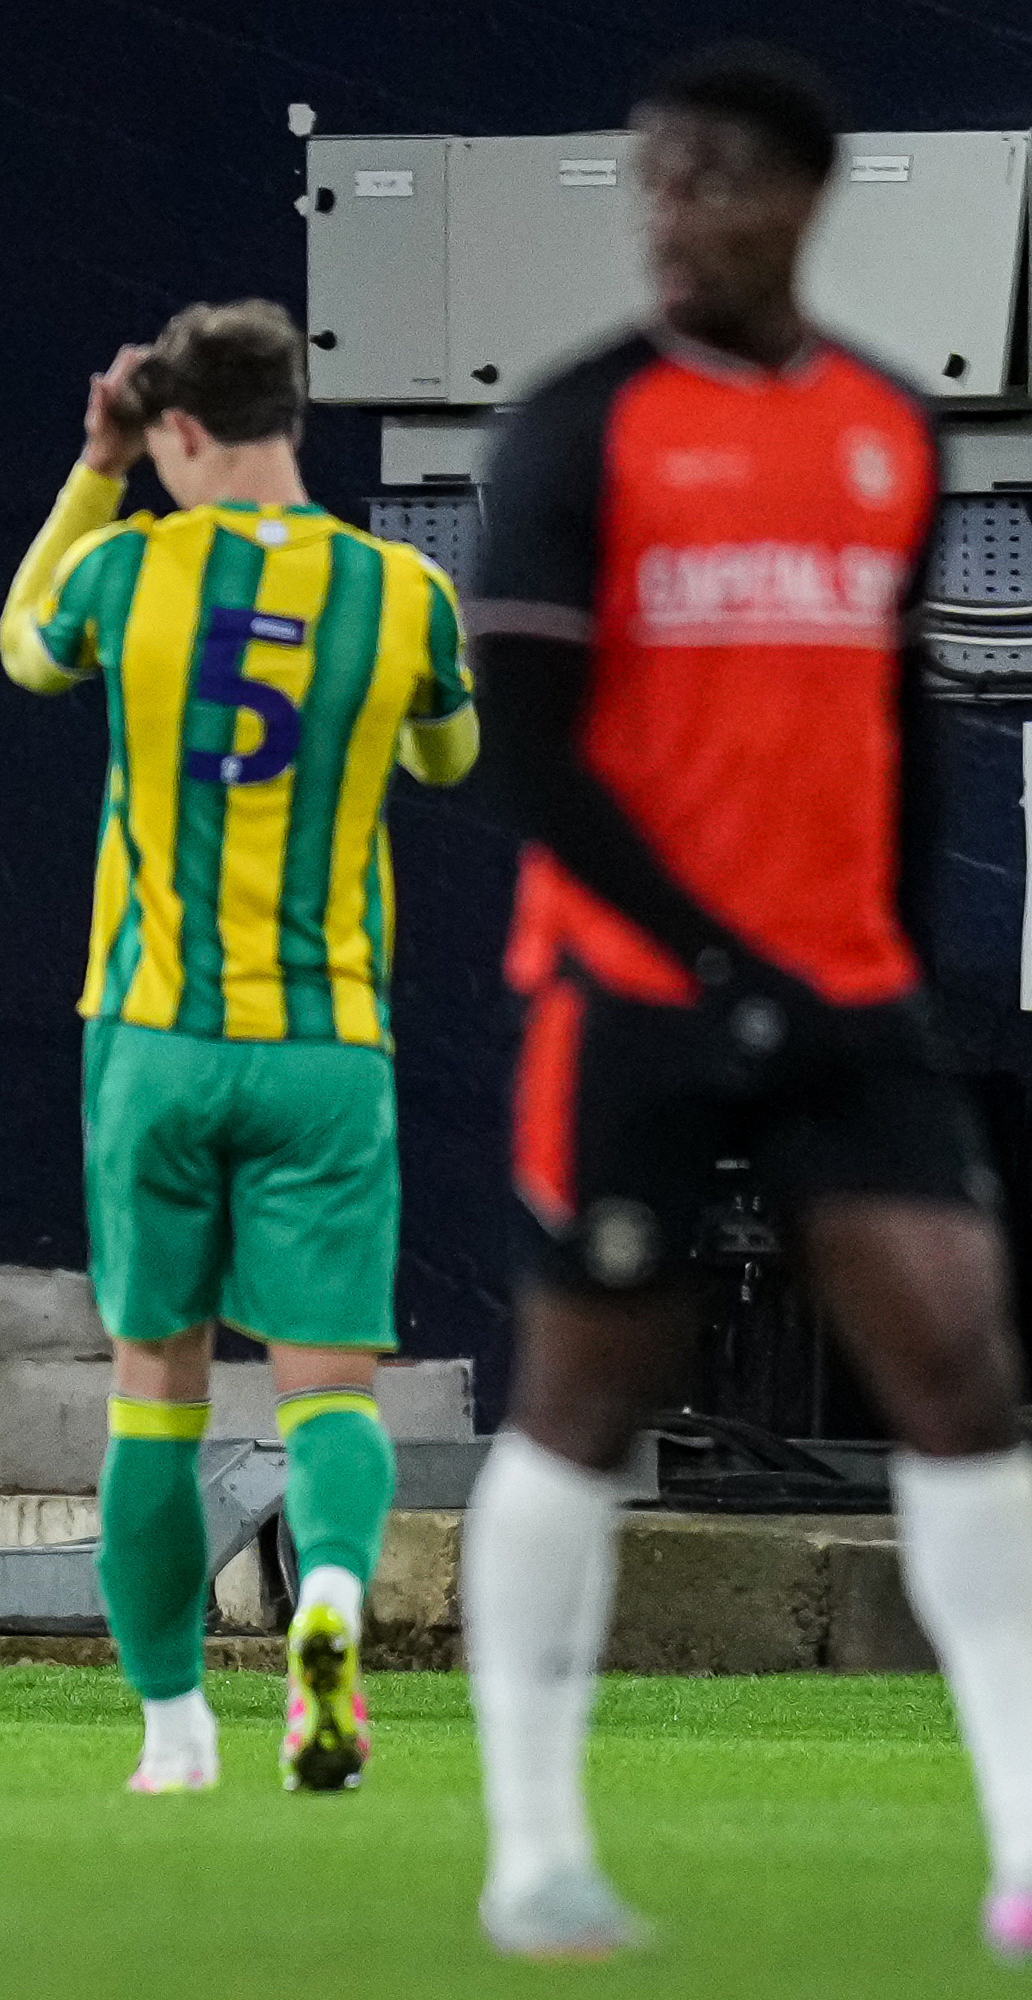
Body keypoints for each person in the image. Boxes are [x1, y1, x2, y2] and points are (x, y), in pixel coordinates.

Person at [461, 45, 1032, 1963]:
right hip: (630, 991)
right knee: (585, 1394)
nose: (672, 217)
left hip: (845, 998)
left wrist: (877, 961)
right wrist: (705, 964)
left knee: (958, 1368)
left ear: (802, 196)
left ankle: (1022, 1844)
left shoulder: (884, 425)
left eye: (709, 181)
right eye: (653, 183)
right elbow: (525, 749)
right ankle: (535, 1852)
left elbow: (893, 728)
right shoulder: (571, 431)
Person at [0, 300, 479, 1795]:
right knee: (325, 1384)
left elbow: (21, 650)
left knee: (156, 1379)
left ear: (177, 433)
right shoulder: (396, 590)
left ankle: (173, 1731)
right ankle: (326, 1606)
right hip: (322, 1042)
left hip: (151, 1037)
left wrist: (92, 471)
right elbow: (446, 755)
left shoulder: (128, 567)